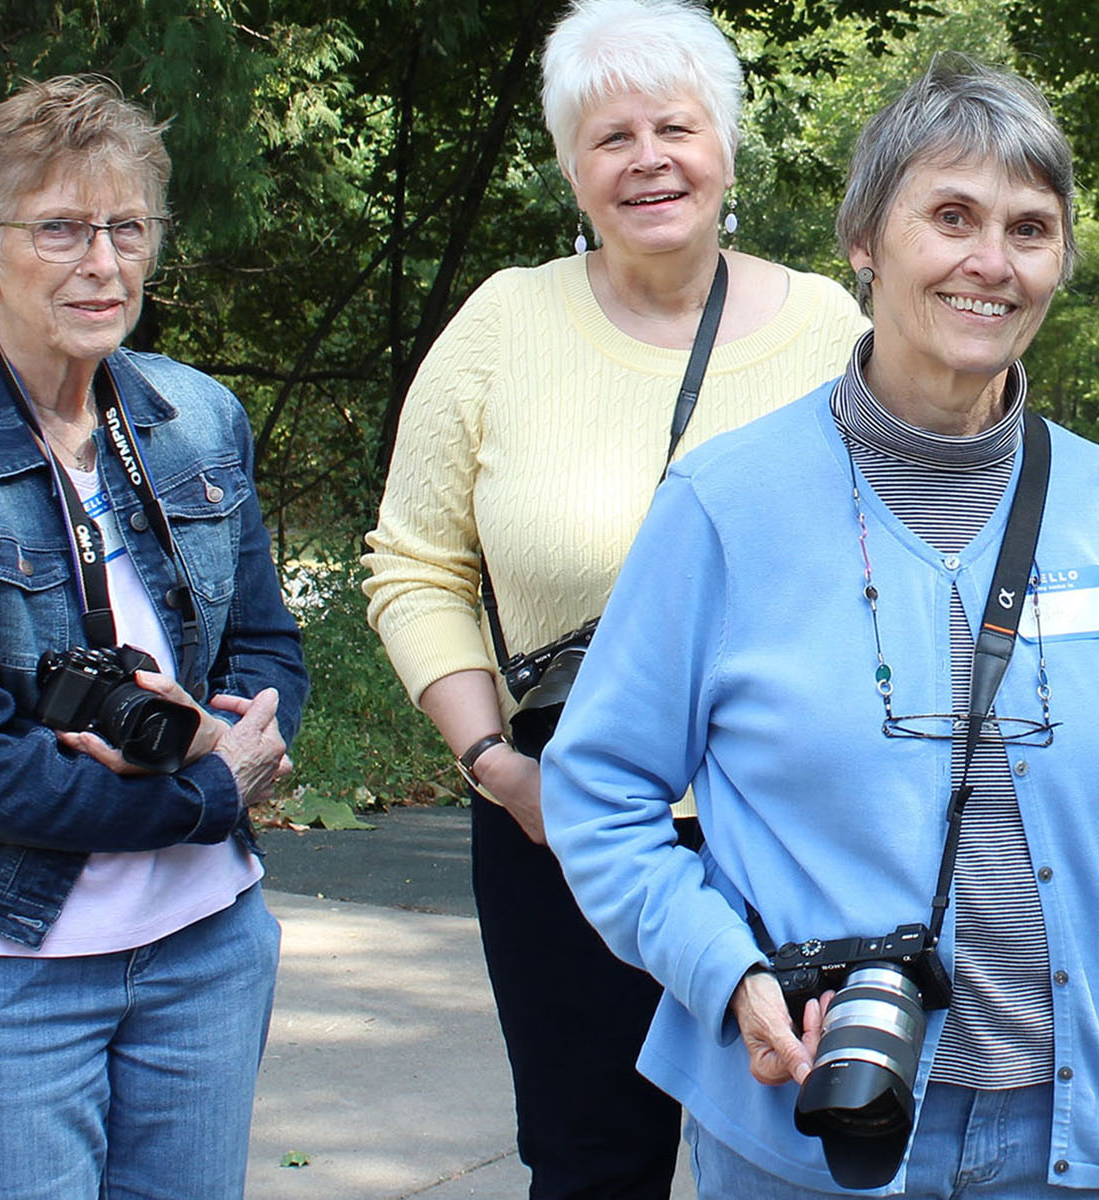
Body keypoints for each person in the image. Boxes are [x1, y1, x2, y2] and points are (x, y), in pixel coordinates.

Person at [537, 56, 1099, 1199]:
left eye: (1028, 228)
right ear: (863, 239)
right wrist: (725, 972)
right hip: (807, 1130)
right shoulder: (725, 506)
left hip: (1076, 1142)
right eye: (949, 217)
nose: (989, 263)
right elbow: (595, 793)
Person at [360, 1, 867, 1193]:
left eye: (674, 126)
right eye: (609, 137)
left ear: (727, 145)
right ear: (571, 172)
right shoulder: (502, 323)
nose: (647, 159)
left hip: (793, 835)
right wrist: (493, 763)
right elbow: (416, 562)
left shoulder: (832, 334)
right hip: (562, 827)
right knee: (591, 1166)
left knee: (807, 1161)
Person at [0, 75, 306, 1199]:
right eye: (59, 229)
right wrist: (211, 790)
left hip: (202, 945)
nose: (101, 264)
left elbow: (265, 645)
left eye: (125, 228)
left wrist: (240, 722)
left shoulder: (198, 417)